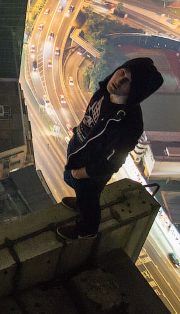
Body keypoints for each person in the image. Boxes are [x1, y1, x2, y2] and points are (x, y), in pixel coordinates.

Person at [57, 57, 164, 240]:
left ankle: (86, 230)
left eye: (128, 81)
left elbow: (113, 163)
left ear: (137, 90)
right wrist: (77, 133)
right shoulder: (104, 91)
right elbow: (91, 117)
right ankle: (81, 200)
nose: (119, 81)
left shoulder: (128, 124)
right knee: (78, 187)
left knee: (88, 196)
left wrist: (84, 172)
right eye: (122, 72)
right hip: (79, 149)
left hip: (91, 167)